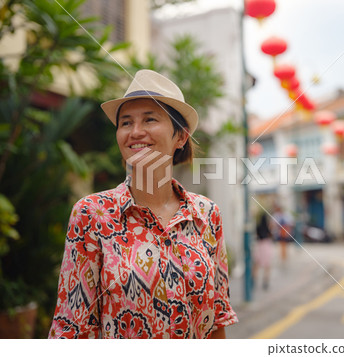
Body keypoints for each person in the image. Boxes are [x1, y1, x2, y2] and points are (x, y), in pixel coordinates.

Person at [48, 70, 238, 339]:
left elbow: (216, 321)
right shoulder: (92, 214)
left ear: (180, 137)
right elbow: (72, 326)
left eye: (149, 119)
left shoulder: (206, 215)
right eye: (126, 123)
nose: (136, 132)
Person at [253, 212, 274, 290]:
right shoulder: (267, 228)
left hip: (259, 245)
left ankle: (254, 280)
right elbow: (271, 235)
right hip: (266, 244)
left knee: (256, 263)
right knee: (267, 265)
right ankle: (265, 281)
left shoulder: (258, 226)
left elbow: (256, 235)